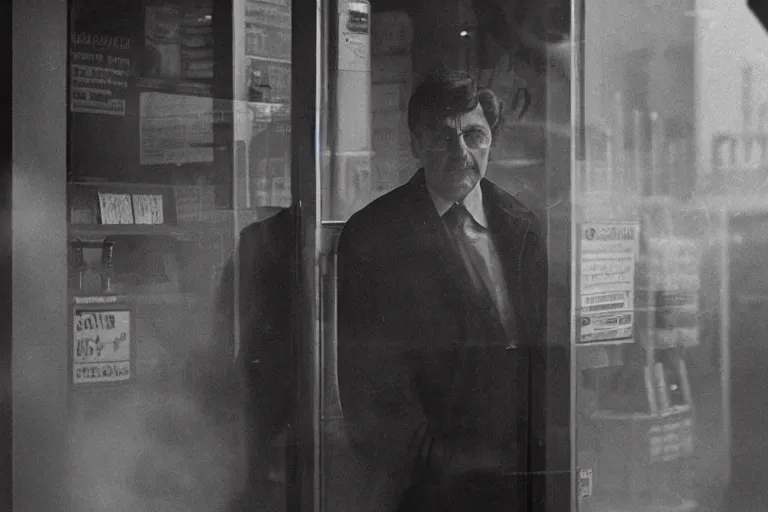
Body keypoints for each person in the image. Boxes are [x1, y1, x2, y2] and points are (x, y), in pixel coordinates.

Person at [336, 69, 556, 511]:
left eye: (474, 135)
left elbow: (534, 359)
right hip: (424, 492)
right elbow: (369, 393)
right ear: (416, 145)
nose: (461, 153)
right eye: (442, 137)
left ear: (491, 139)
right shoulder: (373, 236)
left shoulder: (521, 227)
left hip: (516, 483)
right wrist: (442, 469)